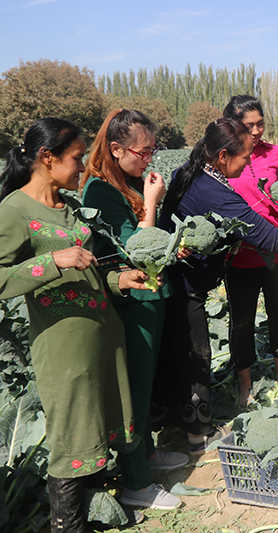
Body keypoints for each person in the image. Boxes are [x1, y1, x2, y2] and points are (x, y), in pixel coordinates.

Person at [151, 118, 278, 455]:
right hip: (184, 286)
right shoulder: (215, 193)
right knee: (195, 357)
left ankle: (174, 422)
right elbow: (272, 239)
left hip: (177, 280)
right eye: (244, 156)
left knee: (178, 354)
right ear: (222, 156)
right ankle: (196, 434)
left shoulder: (189, 172)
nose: (249, 162)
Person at [0, 118, 153, 532]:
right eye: (76, 158)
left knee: (99, 426)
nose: (83, 166)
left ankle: (99, 514)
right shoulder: (15, 209)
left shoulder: (66, 209)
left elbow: (86, 272)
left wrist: (117, 279)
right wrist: (52, 261)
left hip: (103, 336)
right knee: (72, 438)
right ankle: (69, 525)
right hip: (64, 348)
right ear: (46, 158)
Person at [81, 109, 187, 510]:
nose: (150, 160)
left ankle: (144, 456)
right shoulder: (99, 190)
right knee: (133, 389)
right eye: (144, 152)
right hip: (128, 300)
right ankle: (136, 485)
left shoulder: (128, 179)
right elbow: (133, 248)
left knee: (146, 383)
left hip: (150, 296)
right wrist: (152, 202)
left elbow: (155, 241)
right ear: (116, 149)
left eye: (152, 150)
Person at [222, 95, 278, 402]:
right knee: (242, 320)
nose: (256, 131)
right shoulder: (223, 159)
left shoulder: (274, 153)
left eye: (260, 123)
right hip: (241, 256)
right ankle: (245, 382)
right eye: (248, 125)